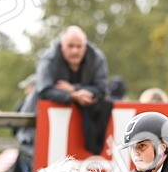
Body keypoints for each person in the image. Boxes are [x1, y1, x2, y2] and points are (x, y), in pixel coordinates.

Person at [35, 25, 113, 154]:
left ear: (85, 45)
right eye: (70, 46)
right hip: (47, 129)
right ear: (62, 45)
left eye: (79, 46)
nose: (75, 51)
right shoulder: (49, 58)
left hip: (85, 131)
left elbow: (103, 89)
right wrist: (73, 97)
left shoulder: (97, 57)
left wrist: (73, 89)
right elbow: (43, 90)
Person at [7, 74, 37, 172]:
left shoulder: (28, 102)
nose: (26, 90)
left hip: (29, 146)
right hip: (28, 146)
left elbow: (15, 126)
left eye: (28, 87)